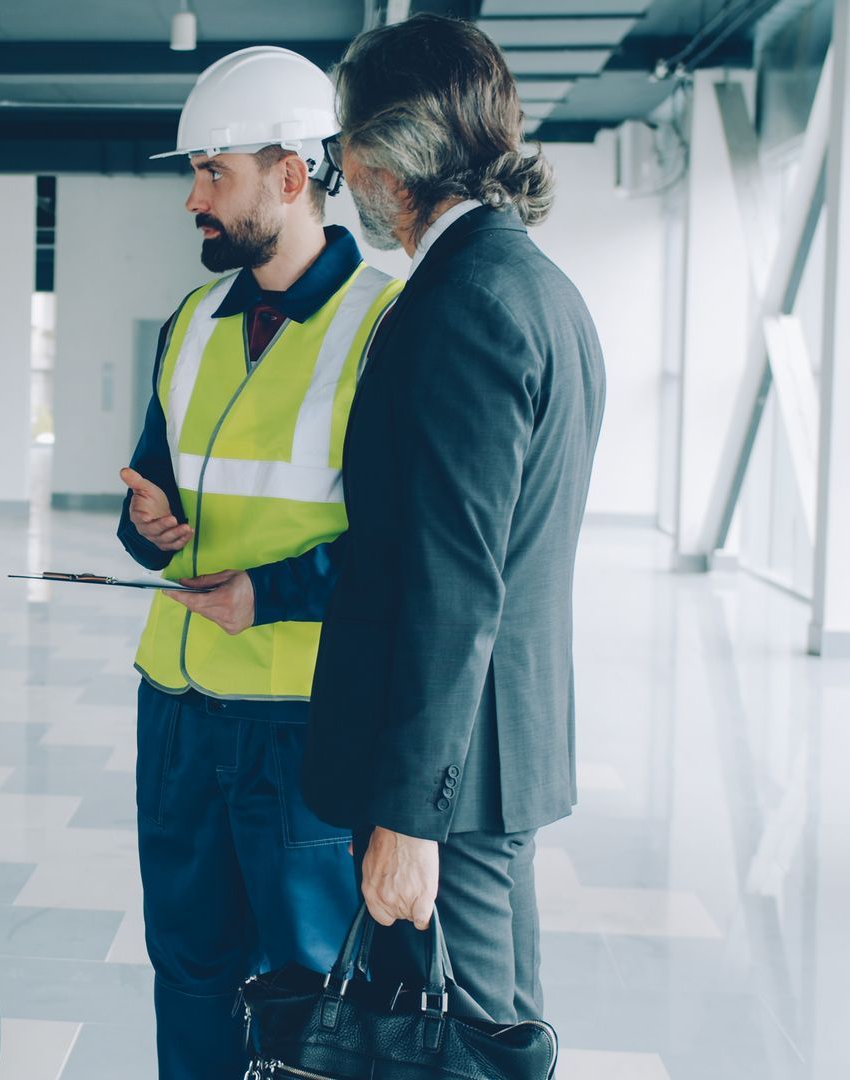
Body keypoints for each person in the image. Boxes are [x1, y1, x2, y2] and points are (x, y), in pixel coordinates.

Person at [302, 14, 607, 1025]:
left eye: (345, 140)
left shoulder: (461, 303)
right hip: (489, 758)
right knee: (492, 1031)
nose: (341, 167)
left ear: (386, 155)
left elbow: (456, 580)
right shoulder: (536, 287)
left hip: (453, 779)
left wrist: (409, 818)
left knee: (462, 1043)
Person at [116, 46, 403, 1078]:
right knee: (188, 970)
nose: (193, 198)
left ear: (290, 176)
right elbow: (152, 485)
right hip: (178, 707)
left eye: (213, 173)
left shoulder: (384, 324)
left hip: (301, 722)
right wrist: (145, 521)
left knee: (312, 987)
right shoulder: (193, 321)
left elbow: (409, 545)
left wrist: (268, 591)